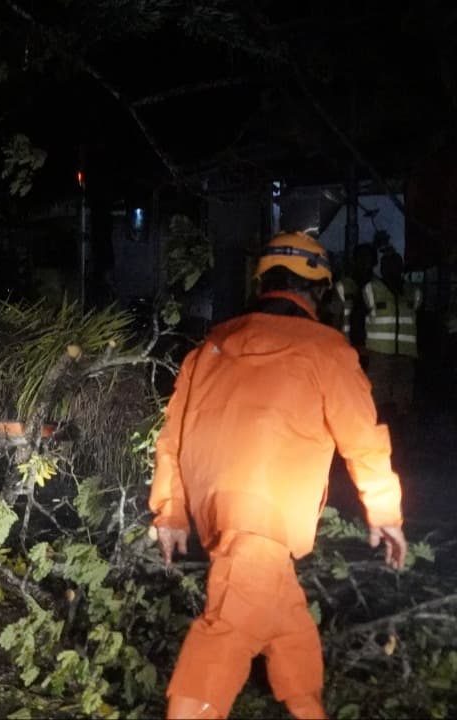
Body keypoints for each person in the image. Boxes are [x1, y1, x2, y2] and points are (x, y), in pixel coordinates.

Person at [149, 231, 407, 719]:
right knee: (225, 632)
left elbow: (173, 438)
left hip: (221, 514)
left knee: (289, 628)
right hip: (266, 517)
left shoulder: (214, 344)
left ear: (264, 281)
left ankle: (308, 710)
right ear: (320, 290)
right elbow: (363, 440)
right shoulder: (327, 350)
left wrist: (171, 514)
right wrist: (386, 514)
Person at [363, 247, 421, 416]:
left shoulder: (414, 291)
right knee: (377, 401)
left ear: (401, 267)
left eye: (396, 265)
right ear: (381, 268)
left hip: (406, 356)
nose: (392, 269)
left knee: (403, 402)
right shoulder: (371, 289)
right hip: (379, 354)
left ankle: (401, 435)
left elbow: (417, 317)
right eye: (387, 265)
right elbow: (360, 316)